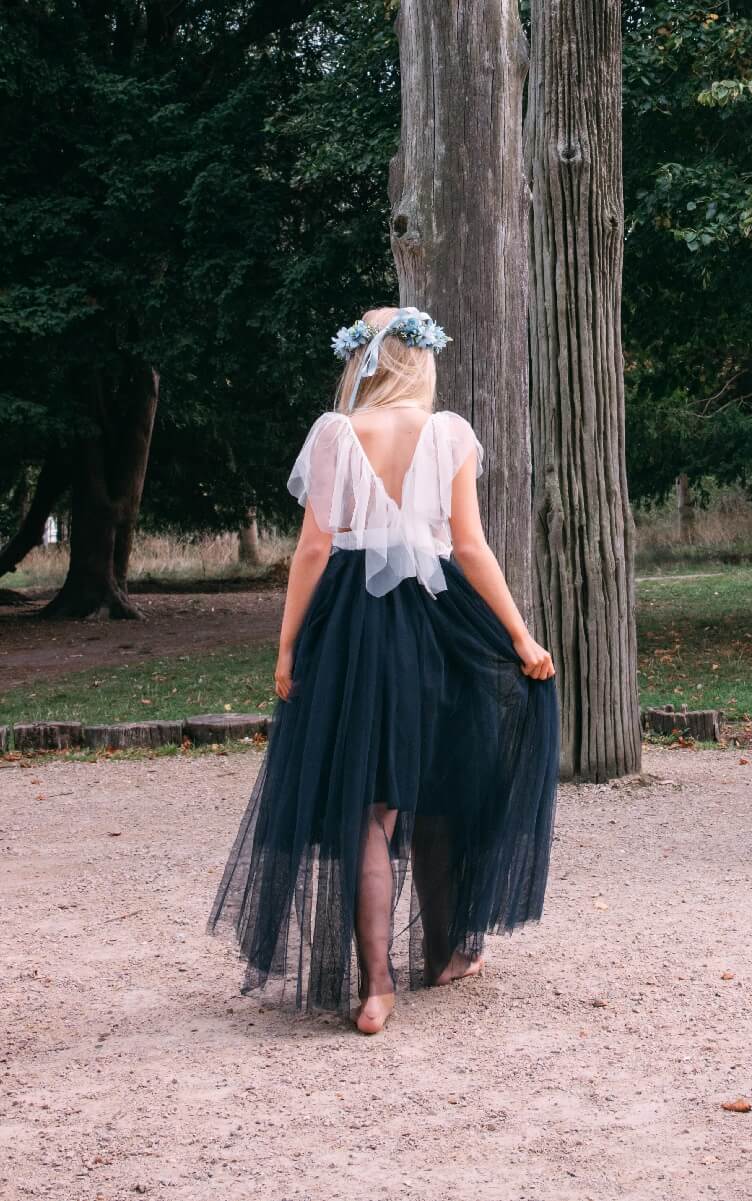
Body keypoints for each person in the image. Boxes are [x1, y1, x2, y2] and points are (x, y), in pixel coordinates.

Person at [207, 305, 559, 1035]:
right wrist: (520, 637)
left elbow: (312, 549)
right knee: (434, 784)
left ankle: (376, 987)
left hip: (353, 628)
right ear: (420, 360)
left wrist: (286, 646)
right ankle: (445, 952)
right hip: (435, 625)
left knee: (370, 806)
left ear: (366, 362)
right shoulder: (449, 432)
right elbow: (471, 548)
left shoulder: (338, 432)